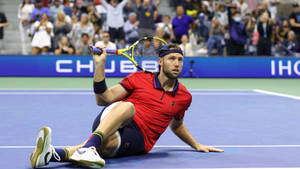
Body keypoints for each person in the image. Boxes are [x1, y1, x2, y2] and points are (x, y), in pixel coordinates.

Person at [30, 43, 224, 169]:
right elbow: (103, 99)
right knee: (128, 106)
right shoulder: (139, 78)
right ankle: (88, 147)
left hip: (139, 140)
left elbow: (177, 125)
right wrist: (99, 66)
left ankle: (51, 155)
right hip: (115, 116)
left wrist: (196, 145)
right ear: (160, 61)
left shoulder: (184, 97)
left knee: (105, 146)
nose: (177, 63)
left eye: (180, 60)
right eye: (172, 58)